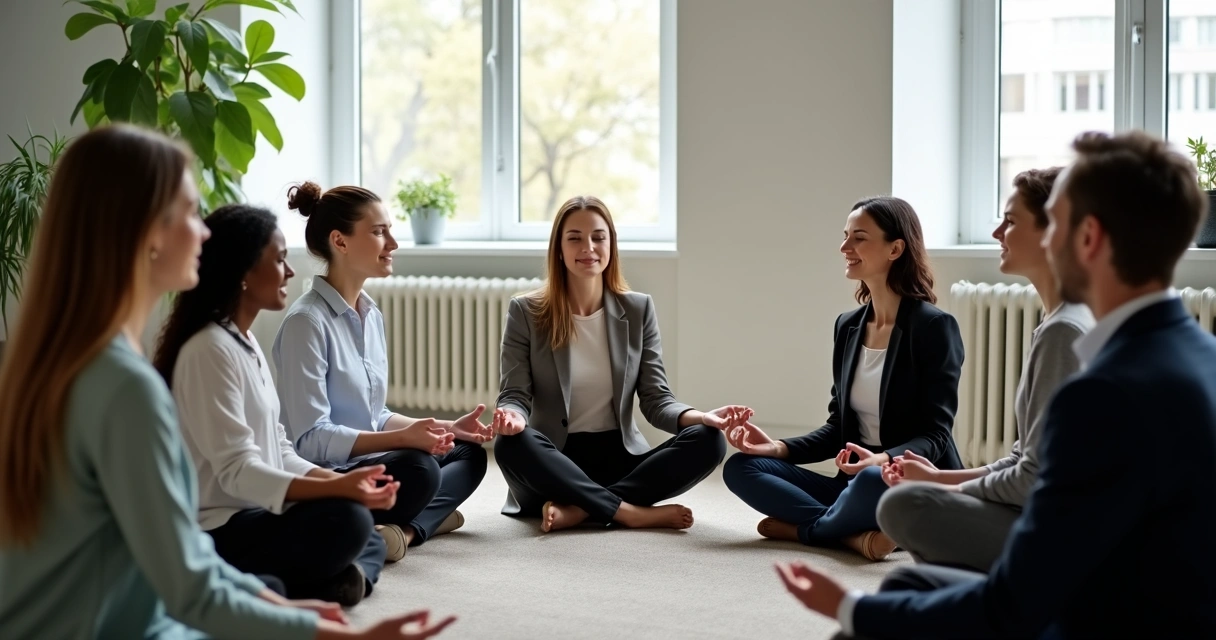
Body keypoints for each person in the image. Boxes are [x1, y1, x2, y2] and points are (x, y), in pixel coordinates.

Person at [0, 124, 454, 639]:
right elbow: (189, 584)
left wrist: (276, 603)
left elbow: (179, 562)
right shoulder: (126, 385)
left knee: (359, 521)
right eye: (192, 214)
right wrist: (341, 636)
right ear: (145, 233)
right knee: (344, 529)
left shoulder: (92, 366)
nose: (205, 233)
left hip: (132, 608)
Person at [774, 130, 1216, 639]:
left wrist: (850, 609)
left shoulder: (1103, 390)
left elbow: (1018, 597)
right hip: (1125, 584)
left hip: (1109, 610)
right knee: (909, 584)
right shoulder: (1188, 354)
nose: (1002, 234)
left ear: (1087, 238)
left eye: (1051, 226)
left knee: (871, 618)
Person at [154, 204, 393, 607]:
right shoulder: (208, 351)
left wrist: (340, 484)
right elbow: (237, 472)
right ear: (244, 272)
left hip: (258, 511)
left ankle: (292, 587)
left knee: (361, 523)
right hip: (221, 528)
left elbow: (279, 448)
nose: (290, 272)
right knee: (350, 521)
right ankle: (271, 586)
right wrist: (336, 487)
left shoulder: (244, 343)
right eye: (280, 260)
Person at [874, 168, 1095, 572]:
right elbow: (1024, 457)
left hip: (1065, 531)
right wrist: (938, 479)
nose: (996, 233)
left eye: (1010, 221)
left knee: (902, 506)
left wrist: (947, 487)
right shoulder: (1061, 319)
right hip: (1057, 512)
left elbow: (1032, 480)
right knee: (911, 502)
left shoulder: (1064, 330)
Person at [721, 197, 964, 561]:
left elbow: (936, 436)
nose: (844, 247)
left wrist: (881, 460)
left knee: (868, 480)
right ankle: (853, 535)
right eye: (845, 236)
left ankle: (808, 530)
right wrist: (776, 448)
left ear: (895, 248)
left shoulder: (933, 327)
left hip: (901, 481)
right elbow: (838, 429)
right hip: (853, 486)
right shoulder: (847, 326)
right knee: (741, 467)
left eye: (859, 238)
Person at [490, 195, 747, 532]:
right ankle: (629, 513)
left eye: (598, 237)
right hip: (554, 463)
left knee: (710, 438)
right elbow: (515, 394)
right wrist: (513, 417)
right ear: (559, 247)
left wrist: (698, 416)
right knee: (510, 443)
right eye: (575, 238)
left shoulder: (638, 309)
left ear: (611, 244)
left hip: (620, 460)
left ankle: (583, 511)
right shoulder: (525, 311)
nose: (589, 247)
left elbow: (656, 400)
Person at [273, 181, 491, 563]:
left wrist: (443, 428)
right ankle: (426, 518)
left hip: (368, 463)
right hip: (329, 474)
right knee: (420, 467)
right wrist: (407, 440)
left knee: (469, 453)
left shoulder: (370, 315)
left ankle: (406, 529)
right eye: (378, 232)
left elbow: (374, 416)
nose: (392, 243)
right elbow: (310, 439)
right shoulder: (305, 323)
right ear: (340, 242)